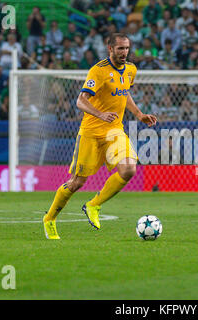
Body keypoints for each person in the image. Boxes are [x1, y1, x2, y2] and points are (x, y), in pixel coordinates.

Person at [43, 33, 158, 239]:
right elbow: (80, 100)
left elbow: (125, 93)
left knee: (129, 169)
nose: (124, 52)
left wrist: (139, 114)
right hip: (91, 133)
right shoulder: (98, 71)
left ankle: (93, 205)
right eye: (120, 48)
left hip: (114, 131)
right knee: (77, 183)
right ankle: (50, 218)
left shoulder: (131, 70)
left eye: (127, 48)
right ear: (110, 49)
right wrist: (100, 114)